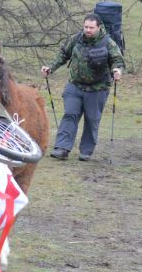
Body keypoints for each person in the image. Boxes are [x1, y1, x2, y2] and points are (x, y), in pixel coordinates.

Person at [41, 13, 124, 161]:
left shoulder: (108, 43)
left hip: (98, 89)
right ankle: (62, 148)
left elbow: (117, 59)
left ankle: (86, 151)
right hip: (75, 86)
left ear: (99, 27)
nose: (88, 30)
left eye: (91, 27)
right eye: (86, 26)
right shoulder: (76, 39)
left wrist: (117, 70)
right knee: (70, 114)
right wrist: (50, 68)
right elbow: (63, 54)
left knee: (92, 119)